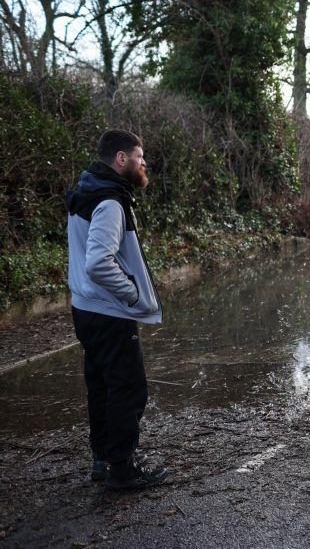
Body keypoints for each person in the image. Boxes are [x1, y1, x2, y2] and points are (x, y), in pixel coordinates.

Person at [66, 129, 168, 490]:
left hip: (85, 307)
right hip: (108, 311)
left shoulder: (86, 191)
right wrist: (131, 295)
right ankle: (122, 469)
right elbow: (98, 263)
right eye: (139, 157)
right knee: (128, 388)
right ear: (121, 159)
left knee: (101, 386)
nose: (144, 163)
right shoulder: (109, 201)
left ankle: (102, 459)